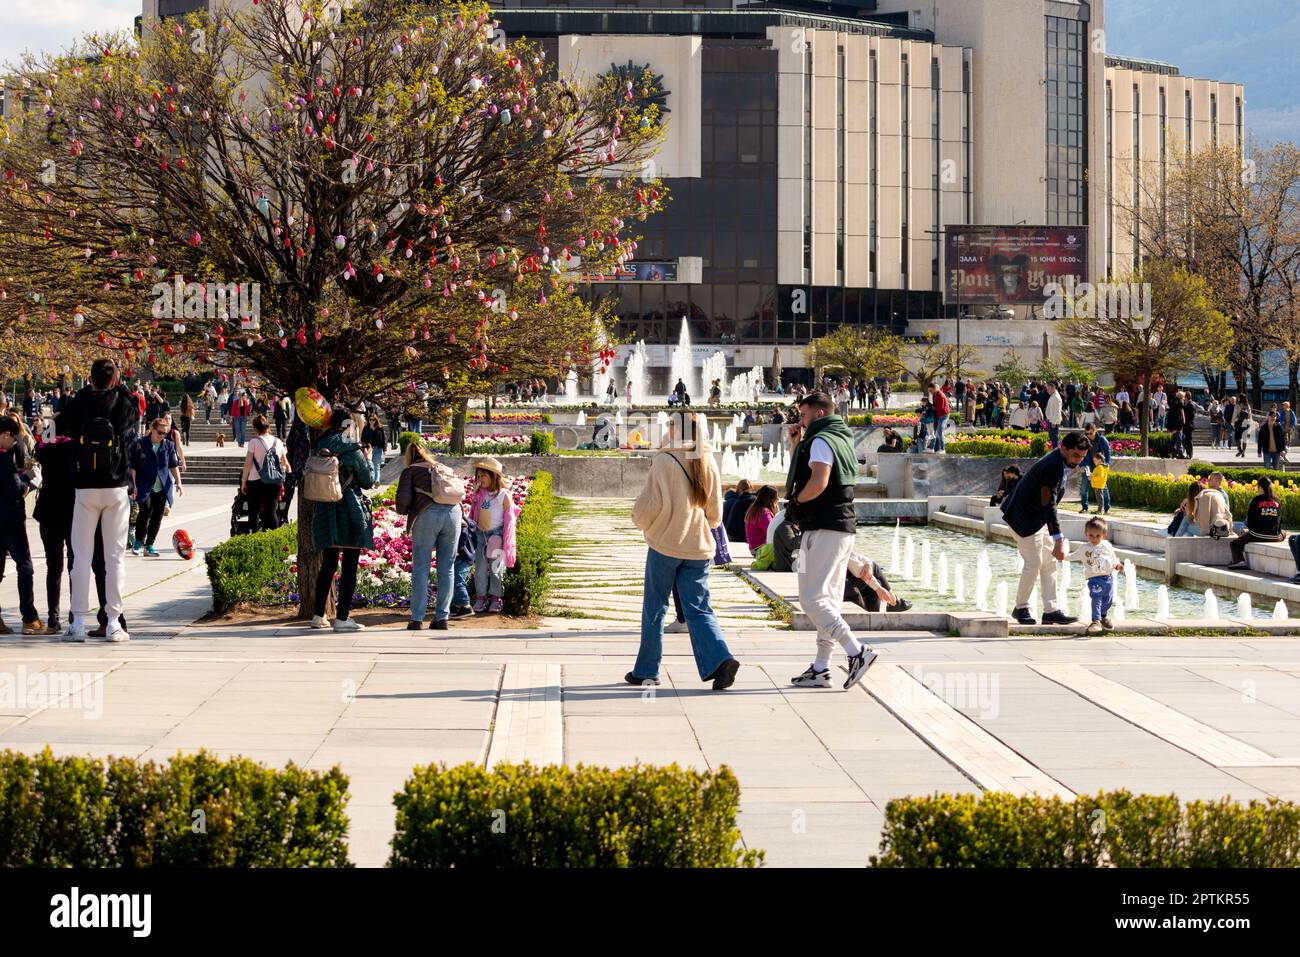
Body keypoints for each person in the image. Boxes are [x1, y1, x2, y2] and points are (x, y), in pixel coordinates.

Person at [627, 412, 740, 691]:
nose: (666, 429)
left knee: (655, 607)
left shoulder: (665, 460)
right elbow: (715, 512)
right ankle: (720, 659)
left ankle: (647, 670)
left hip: (666, 544)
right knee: (699, 608)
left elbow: (649, 505)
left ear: (677, 429)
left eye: (669, 425)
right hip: (698, 547)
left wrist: (638, 520)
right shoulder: (706, 459)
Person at [784, 391, 877, 689]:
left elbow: (819, 480)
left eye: (805, 415)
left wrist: (796, 501)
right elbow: (808, 469)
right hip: (840, 527)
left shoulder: (822, 440)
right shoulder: (839, 437)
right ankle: (821, 668)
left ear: (819, 414)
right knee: (829, 600)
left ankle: (857, 651)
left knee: (812, 599)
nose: (802, 421)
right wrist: (795, 445)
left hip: (823, 526)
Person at [59, 358, 137, 642]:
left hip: (85, 485)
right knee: (115, 557)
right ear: (114, 378)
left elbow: (64, 424)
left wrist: (83, 394)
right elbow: (133, 420)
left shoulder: (80, 402)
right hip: (115, 484)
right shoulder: (122, 402)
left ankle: (78, 621)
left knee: (80, 556)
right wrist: (123, 389)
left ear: (89, 378)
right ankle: (114, 621)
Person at [999, 430, 1090, 625]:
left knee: (1049, 562)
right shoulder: (1053, 466)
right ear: (1063, 448)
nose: (1078, 461)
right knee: (1033, 563)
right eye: (1075, 455)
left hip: (1037, 518)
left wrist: (1055, 537)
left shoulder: (1061, 463)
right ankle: (1021, 608)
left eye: (1082, 457)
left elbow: (1049, 503)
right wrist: (1058, 539)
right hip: (1023, 519)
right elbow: (1049, 504)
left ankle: (1050, 610)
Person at [310, 406, 376, 631]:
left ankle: (318, 615)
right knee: (349, 566)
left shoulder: (320, 444)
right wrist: (368, 458)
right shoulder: (352, 447)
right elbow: (367, 481)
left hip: (325, 509)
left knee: (327, 565)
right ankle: (342, 617)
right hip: (349, 511)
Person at [395, 440, 463, 631]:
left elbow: (402, 504)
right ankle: (442, 618)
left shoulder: (410, 471)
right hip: (453, 513)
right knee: (447, 568)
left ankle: (417, 618)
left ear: (409, 456)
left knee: (421, 568)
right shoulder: (441, 467)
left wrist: (407, 509)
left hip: (427, 515)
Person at [0, 417, 46, 635]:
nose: (15, 442)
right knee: (25, 567)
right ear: (5, 435)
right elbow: (15, 490)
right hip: (10, 519)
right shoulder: (4, 458)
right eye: (13, 438)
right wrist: (28, 478)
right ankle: (29, 617)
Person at [33, 428, 77, 632]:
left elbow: (38, 447)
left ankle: (53, 616)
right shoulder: (73, 447)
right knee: (74, 566)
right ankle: (74, 613)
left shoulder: (45, 449)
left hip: (49, 511)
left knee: (54, 567)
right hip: (71, 510)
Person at [468, 457, 517, 614]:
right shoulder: (480, 494)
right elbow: (474, 514)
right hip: (481, 536)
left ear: (494, 476)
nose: (480, 479)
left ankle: (496, 598)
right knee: (480, 569)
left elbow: (510, 520)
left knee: (495, 568)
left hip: (496, 536)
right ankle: (481, 597)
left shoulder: (503, 495)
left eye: (483, 476)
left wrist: (507, 543)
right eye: (478, 476)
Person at [129, 418, 182, 557]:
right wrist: (133, 485)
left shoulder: (168, 445)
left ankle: (150, 545)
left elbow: (173, 465)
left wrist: (179, 483)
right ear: (152, 429)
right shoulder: (140, 444)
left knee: (158, 516)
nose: (162, 436)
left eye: (165, 433)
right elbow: (133, 467)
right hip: (144, 485)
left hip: (162, 486)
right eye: (160, 433)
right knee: (145, 511)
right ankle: (138, 542)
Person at [1067, 517, 1122, 636]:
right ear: (1086, 534)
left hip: (1108, 578)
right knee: (1096, 599)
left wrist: (1117, 565)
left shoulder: (1107, 545)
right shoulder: (1084, 548)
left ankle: (1103, 617)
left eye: (1098, 536)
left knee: (1108, 600)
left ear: (1104, 535)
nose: (1094, 538)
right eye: (1091, 535)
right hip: (1095, 579)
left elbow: (1113, 557)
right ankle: (1095, 621)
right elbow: (1072, 556)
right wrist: (1061, 555)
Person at [240, 414, 290, 533]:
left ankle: (255, 537)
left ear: (256, 428)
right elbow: (285, 463)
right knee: (271, 511)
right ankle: (274, 538)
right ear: (267, 427)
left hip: (255, 480)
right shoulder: (278, 442)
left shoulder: (254, 442)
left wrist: (243, 481)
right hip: (274, 481)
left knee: (254, 512)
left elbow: (247, 464)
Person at [1228, 477, 1284, 569]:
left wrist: (1249, 533)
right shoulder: (1277, 500)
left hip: (1258, 535)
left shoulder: (1255, 500)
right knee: (1284, 533)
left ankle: (1239, 561)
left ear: (1261, 487)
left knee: (1234, 543)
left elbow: (1250, 520)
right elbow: (1280, 521)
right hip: (1275, 537)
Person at [744, 485, 779, 551]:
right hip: (761, 549)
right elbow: (772, 531)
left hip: (754, 548)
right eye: (776, 497)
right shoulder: (764, 512)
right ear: (770, 499)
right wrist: (777, 515)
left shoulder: (754, 508)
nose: (778, 499)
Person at [362, 413, 386, 485]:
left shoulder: (380, 428)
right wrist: (365, 447)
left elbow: (383, 439)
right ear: (368, 420)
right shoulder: (366, 428)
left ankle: (377, 480)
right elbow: (362, 439)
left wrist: (384, 449)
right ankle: (372, 481)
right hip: (369, 449)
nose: (372, 421)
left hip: (378, 449)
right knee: (370, 465)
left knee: (377, 465)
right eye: (370, 420)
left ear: (376, 420)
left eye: (373, 420)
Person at [929, 383, 950, 453]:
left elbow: (940, 407)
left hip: (944, 415)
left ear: (934, 388)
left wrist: (933, 408)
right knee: (937, 431)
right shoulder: (935, 394)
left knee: (940, 431)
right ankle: (938, 448)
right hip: (940, 415)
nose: (930, 392)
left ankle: (943, 449)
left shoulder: (940, 395)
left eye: (931, 390)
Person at [1044, 383, 1063, 449]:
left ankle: (1056, 453)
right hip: (1051, 420)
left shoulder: (1056, 397)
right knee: (1052, 438)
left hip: (1053, 421)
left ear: (1053, 389)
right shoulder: (1053, 396)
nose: (1047, 391)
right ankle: (1054, 452)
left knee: (1054, 439)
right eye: (1047, 389)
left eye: (1049, 389)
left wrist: (1054, 422)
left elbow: (1057, 411)